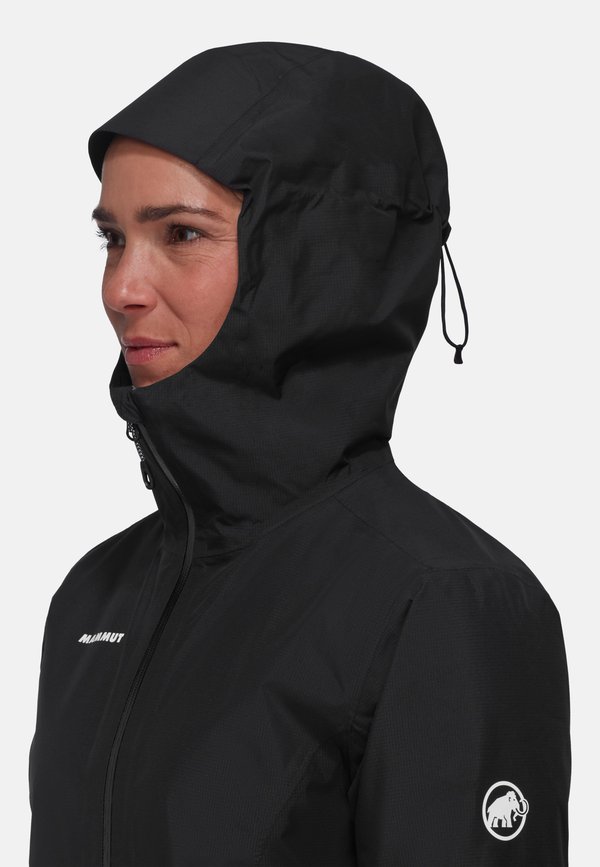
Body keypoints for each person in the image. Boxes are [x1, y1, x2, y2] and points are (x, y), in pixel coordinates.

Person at [28, 41, 571, 866]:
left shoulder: (443, 600)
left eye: (180, 233)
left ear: (315, 259)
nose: (122, 289)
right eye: (112, 239)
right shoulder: (94, 595)